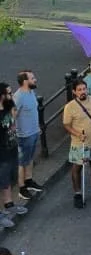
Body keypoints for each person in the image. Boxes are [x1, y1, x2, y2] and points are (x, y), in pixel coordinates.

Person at [62, 78, 91, 209]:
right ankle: (77, 194)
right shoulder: (70, 107)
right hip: (79, 143)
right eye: (79, 90)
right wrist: (77, 134)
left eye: (84, 89)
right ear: (74, 92)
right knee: (77, 168)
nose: (83, 92)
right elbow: (66, 125)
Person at [13, 70, 42, 200]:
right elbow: (13, 115)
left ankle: (29, 180)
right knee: (22, 162)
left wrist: (37, 127)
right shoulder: (18, 97)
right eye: (32, 78)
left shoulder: (31, 92)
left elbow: (33, 111)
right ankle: (22, 187)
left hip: (33, 132)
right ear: (25, 81)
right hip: (24, 135)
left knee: (30, 158)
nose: (35, 79)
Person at [0, 85, 23, 229]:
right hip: (2, 153)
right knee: (2, 181)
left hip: (12, 148)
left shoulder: (8, 107)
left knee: (8, 180)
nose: (12, 94)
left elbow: (13, 119)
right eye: (9, 93)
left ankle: (9, 204)